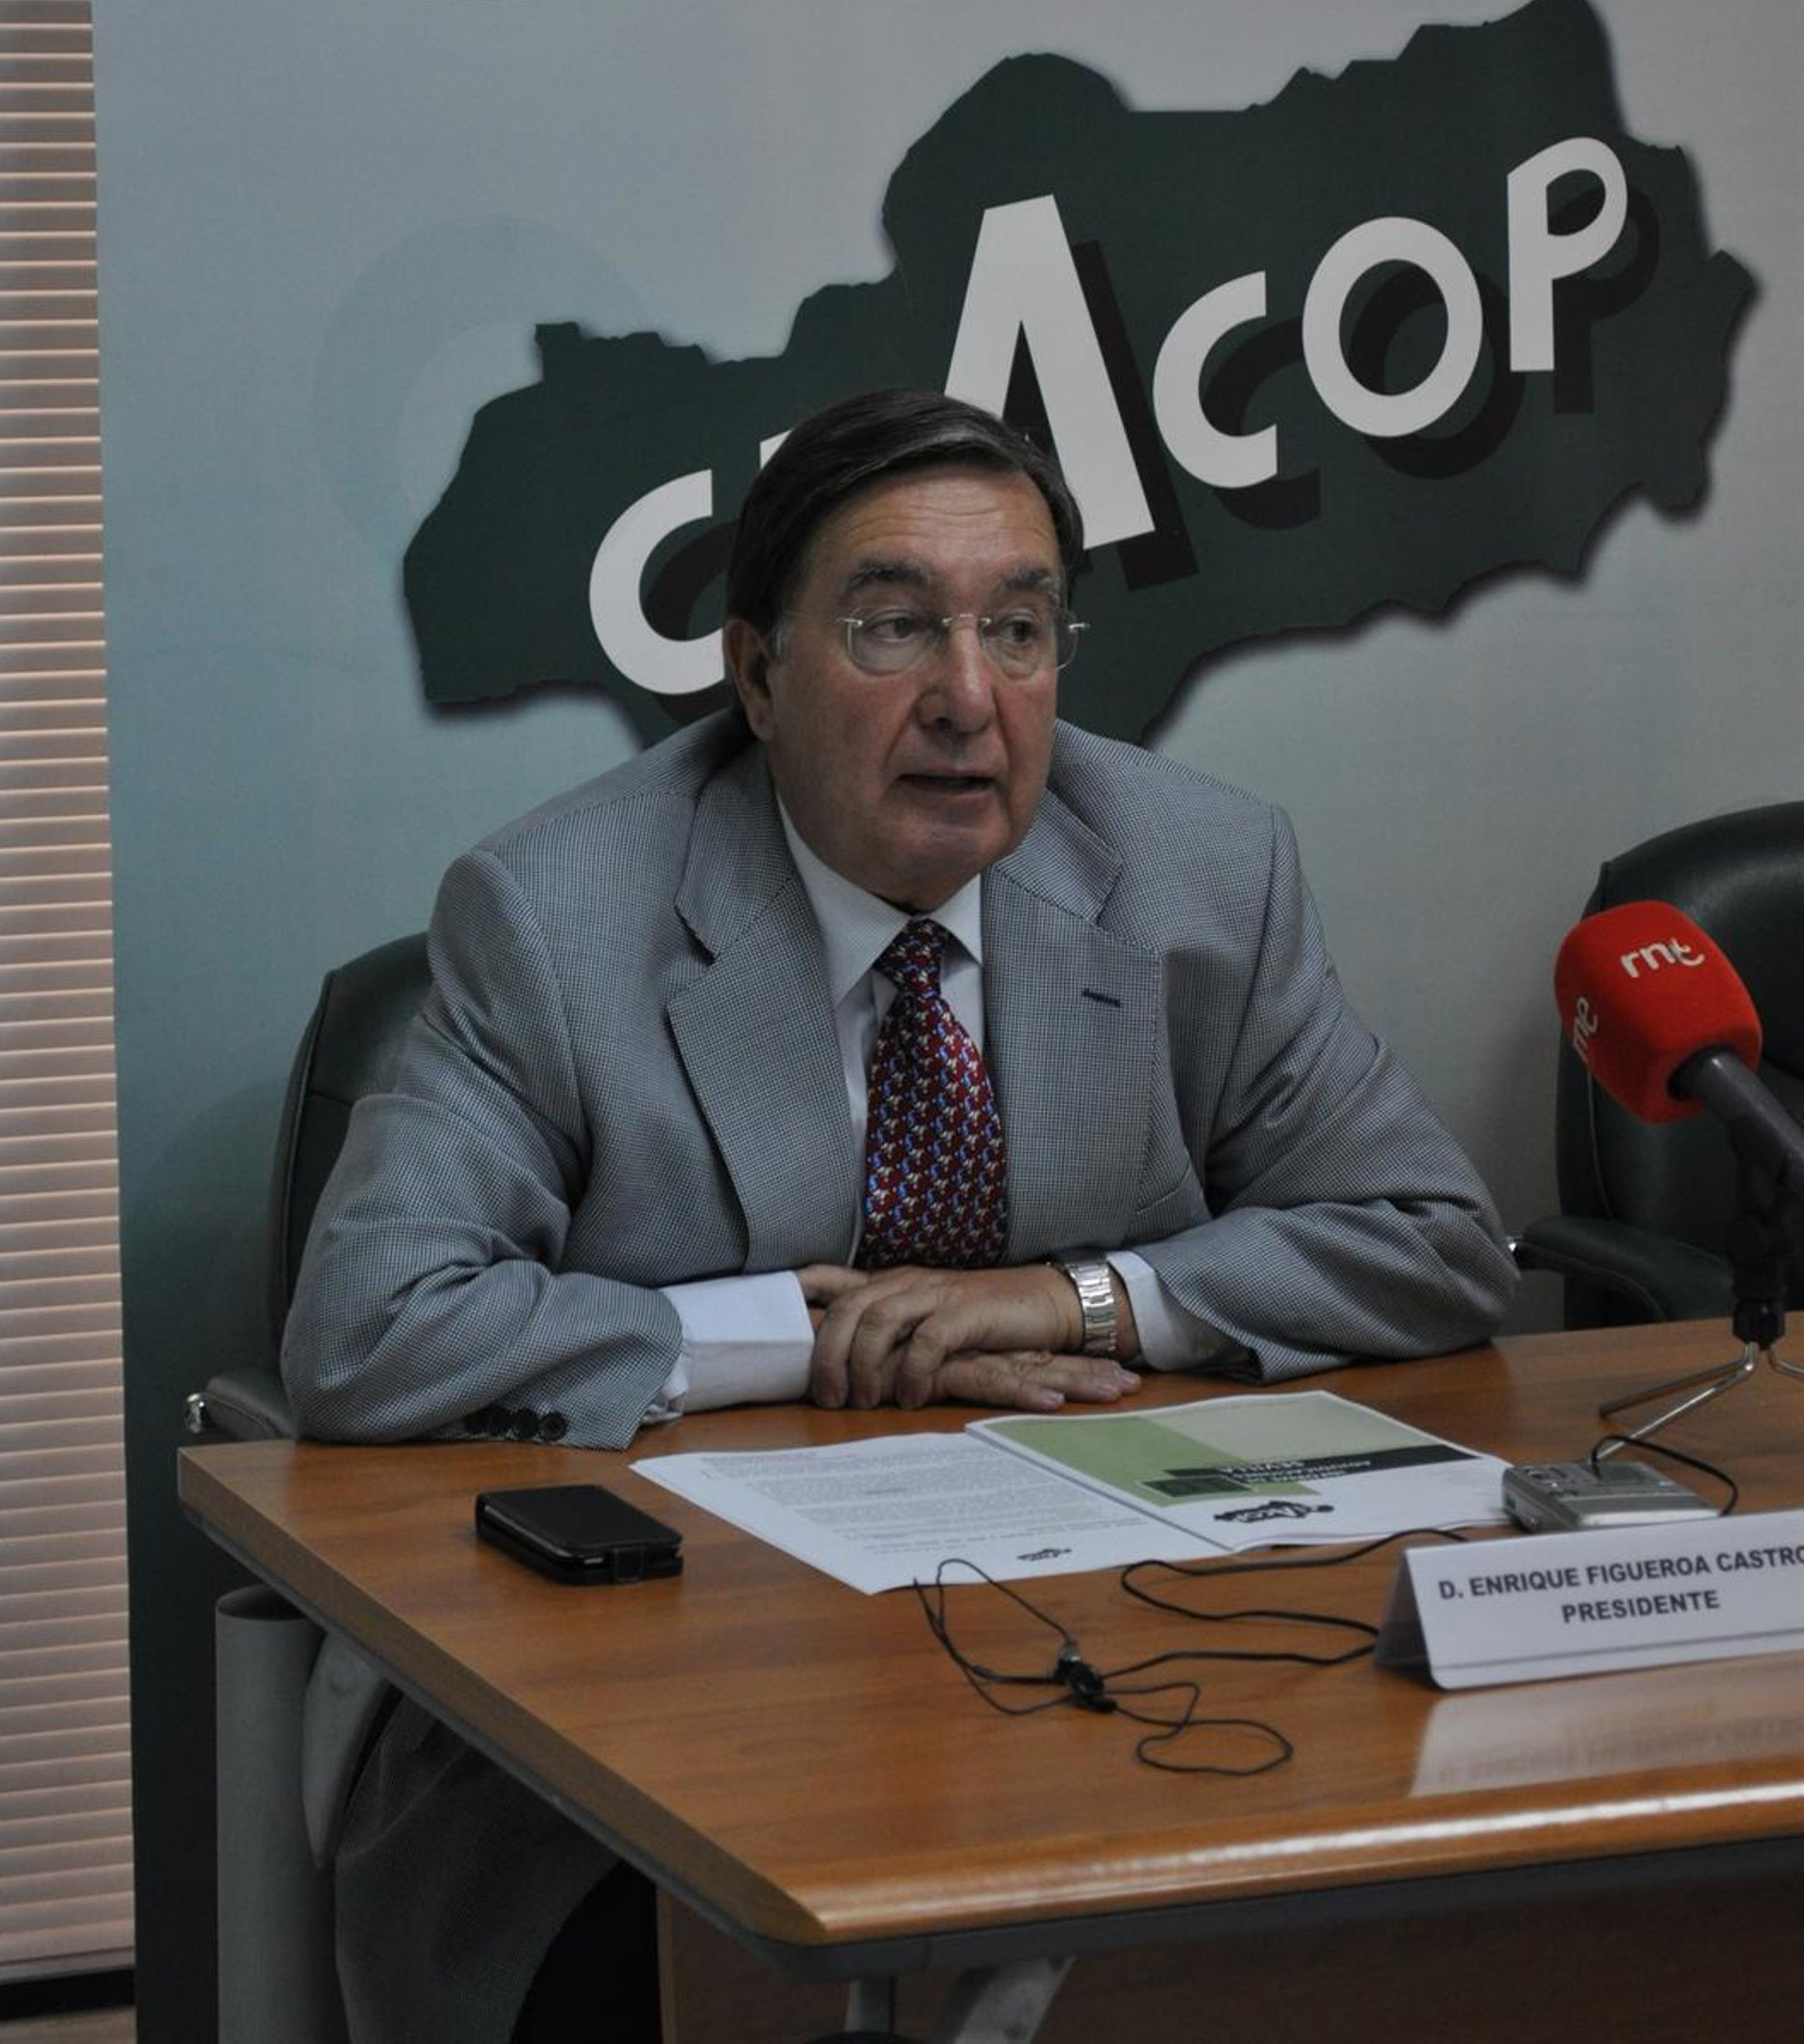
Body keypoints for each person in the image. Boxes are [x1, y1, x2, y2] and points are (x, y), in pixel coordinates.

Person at [282, 387, 1515, 2043]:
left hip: (1111, 1661)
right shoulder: (560, 914)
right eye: (894, 625)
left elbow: (1432, 1231)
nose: (969, 697)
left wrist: (1077, 1298)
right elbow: (368, 1325)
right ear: (756, 673)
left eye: (1019, 628)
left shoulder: (1202, 874)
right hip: (648, 1717)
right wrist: (789, 1337)